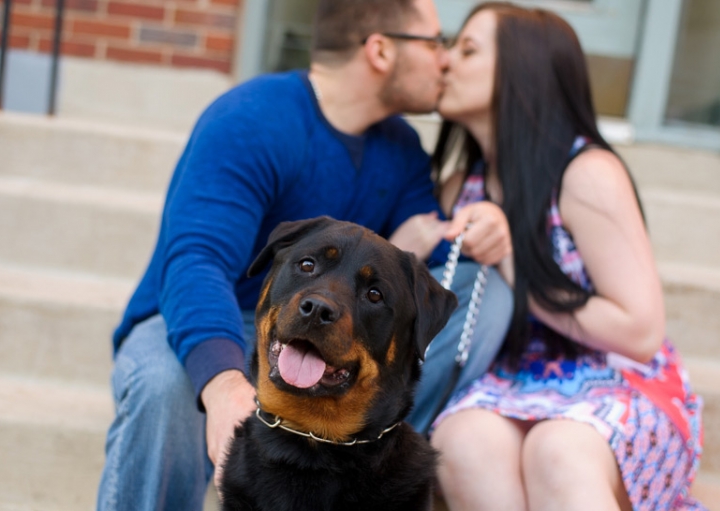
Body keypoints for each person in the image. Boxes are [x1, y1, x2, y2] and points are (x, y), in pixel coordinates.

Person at [96, 1, 513, 510]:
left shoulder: (400, 147)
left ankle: (368, 458)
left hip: (336, 333)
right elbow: (194, 262)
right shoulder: (251, 118)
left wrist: (482, 227)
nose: (444, 60)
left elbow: (425, 275)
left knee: (486, 293)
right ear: (381, 50)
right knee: (164, 387)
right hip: (208, 315)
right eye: (435, 43)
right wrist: (225, 382)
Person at [426, 4, 706, 511]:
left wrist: (511, 258)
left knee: (559, 451)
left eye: (467, 50)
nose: (445, 62)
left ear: (521, 71)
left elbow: (639, 331)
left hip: (616, 374)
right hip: (510, 376)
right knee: (463, 443)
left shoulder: (585, 175)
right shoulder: (457, 189)